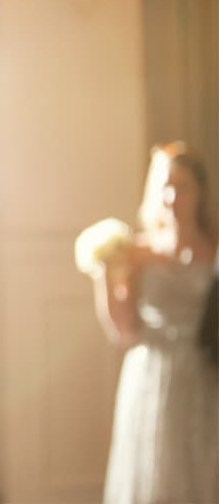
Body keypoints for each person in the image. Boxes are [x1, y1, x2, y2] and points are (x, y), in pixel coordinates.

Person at [90, 142, 218, 503]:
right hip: (151, 376)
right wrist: (104, 276)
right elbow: (124, 329)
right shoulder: (138, 253)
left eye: (183, 186)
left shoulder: (216, 250)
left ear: (200, 192)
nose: (172, 196)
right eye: (165, 185)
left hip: (204, 376)